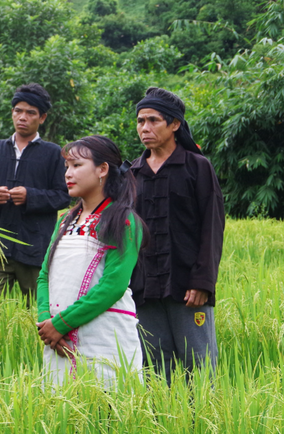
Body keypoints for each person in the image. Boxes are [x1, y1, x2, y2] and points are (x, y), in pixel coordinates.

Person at [130, 87, 225, 384]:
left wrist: (203, 282)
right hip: (144, 288)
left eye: (153, 120)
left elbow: (213, 226)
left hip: (187, 287)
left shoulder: (197, 167)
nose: (145, 128)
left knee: (198, 364)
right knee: (155, 366)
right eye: (141, 121)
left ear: (175, 125)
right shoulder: (132, 173)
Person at [37, 135, 144, 388]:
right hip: (58, 341)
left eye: (76, 166)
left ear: (102, 170)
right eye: (67, 167)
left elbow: (113, 286)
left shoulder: (124, 221)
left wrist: (61, 323)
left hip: (105, 337)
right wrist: (47, 324)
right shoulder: (65, 220)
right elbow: (44, 275)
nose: (68, 174)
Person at [0, 83, 69, 301]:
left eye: (30, 113)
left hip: (35, 249)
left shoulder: (53, 153)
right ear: (12, 113)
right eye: (18, 111)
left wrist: (31, 196)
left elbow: (63, 196)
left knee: (37, 312)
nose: (22, 117)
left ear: (42, 118)